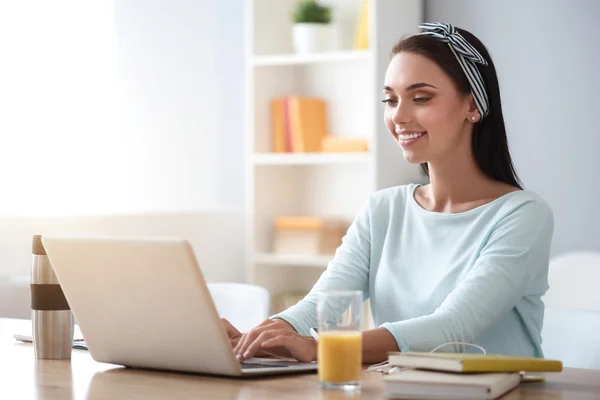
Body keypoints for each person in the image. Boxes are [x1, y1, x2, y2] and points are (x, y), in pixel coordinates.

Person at [225, 22, 554, 364]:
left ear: (472, 106)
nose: (399, 115)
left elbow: (451, 329)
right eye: (390, 100)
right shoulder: (384, 208)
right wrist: (260, 337)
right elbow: (325, 301)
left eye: (421, 98)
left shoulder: (522, 215)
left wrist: (324, 348)